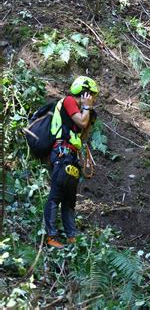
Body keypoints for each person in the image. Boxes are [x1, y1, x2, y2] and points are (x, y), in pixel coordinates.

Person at [45, 76, 99, 248]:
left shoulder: (83, 110)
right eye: (91, 95)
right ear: (85, 93)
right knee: (55, 195)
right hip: (62, 153)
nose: (93, 99)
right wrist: (86, 108)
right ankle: (51, 236)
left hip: (71, 155)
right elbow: (82, 123)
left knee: (69, 199)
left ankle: (71, 237)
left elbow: (82, 136)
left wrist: (89, 115)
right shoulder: (68, 101)